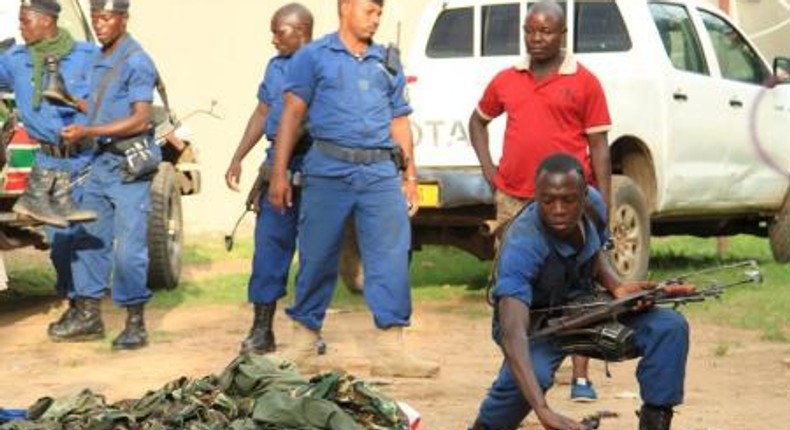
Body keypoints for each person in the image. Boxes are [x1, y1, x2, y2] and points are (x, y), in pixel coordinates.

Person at [268, 0, 439, 378]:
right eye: (369, 10)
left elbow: (400, 121)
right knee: (317, 254)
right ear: (345, 7)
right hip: (328, 169)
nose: (376, 19)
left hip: (379, 172)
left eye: (380, 13)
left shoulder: (387, 60)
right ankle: (303, 341)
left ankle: (392, 347)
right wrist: (278, 172)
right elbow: (292, 115)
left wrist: (410, 176)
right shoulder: (312, 57)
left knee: (391, 256)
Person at [468, 153, 688, 430]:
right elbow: (513, 334)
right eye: (547, 201)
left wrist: (616, 286)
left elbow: (594, 252)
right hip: (536, 328)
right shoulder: (523, 243)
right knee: (527, 376)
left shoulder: (595, 205)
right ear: (537, 197)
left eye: (568, 200)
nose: (558, 209)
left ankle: (654, 423)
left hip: (587, 308)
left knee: (669, 327)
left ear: (584, 196)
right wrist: (543, 410)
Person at [468, 0, 612, 401]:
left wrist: (603, 205)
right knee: (514, 290)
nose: (536, 38)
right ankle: (518, 374)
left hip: (571, 204)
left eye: (545, 31)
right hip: (515, 201)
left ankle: (581, 377)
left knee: (580, 286)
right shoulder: (506, 79)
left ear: (562, 35)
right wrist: (489, 171)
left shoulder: (584, 81)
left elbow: (599, 146)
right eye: (530, 30)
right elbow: (477, 121)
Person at [53, 0, 161, 351]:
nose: (99, 24)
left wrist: (88, 132)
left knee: (129, 250)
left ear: (123, 19)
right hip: (100, 164)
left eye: (107, 17)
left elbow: (141, 119)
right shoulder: (101, 58)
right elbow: (101, 105)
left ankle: (135, 323)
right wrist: (68, 100)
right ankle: (89, 316)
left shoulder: (136, 60)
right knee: (88, 238)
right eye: (96, 17)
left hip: (127, 165)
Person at [0, 0, 98, 332]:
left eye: (25, 21)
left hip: (84, 157)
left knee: (81, 237)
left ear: (46, 21)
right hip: (48, 161)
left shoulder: (87, 56)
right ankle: (76, 304)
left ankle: (87, 311)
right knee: (59, 243)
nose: (21, 28)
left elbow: (112, 96)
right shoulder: (14, 60)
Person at [224, 3, 314, 354]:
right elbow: (263, 111)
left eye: (280, 32)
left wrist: (281, 160)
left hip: (314, 166)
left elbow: (305, 120)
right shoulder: (275, 67)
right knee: (269, 248)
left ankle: (308, 332)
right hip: (276, 165)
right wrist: (238, 156)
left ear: (302, 30)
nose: (273, 39)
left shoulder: (322, 64)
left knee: (314, 255)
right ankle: (262, 329)